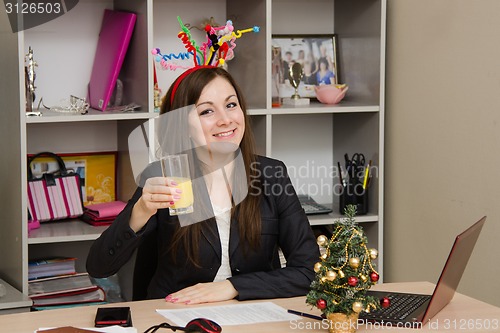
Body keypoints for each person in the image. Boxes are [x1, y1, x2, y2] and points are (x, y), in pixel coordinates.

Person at [86, 66, 320, 305]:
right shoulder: (162, 177)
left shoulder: (272, 174)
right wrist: (140, 212)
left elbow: (309, 272)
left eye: (231, 105)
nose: (226, 120)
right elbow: (99, 266)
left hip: (252, 316)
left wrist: (231, 287)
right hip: (178, 318)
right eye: (207, 111)